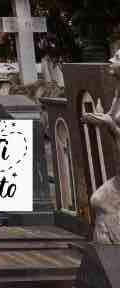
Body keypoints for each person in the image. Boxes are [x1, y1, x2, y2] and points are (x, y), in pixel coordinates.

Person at [81, 49, 120, 244]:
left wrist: (109, 124)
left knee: (100, 201)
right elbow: (110, 118)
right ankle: (108, 255)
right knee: (98, 200)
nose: (111, 60)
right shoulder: (118, 93)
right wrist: (94, 118)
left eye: (117, 58)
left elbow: (112, 123)